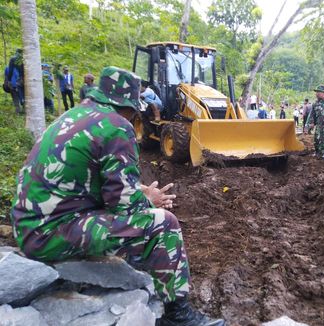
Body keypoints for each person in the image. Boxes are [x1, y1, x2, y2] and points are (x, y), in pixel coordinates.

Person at [10, 66, 225, 326]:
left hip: (32, 225)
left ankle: (136, 266)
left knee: (142, 215)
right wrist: (149, 200)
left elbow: (87, 182)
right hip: (48, 234)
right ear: (128, 106)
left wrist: (139, 190)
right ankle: (177, 316)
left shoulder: (75, 116)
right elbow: (125, 207)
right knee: (164, 223)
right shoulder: (117, 126)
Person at [6, 49, 25, 114]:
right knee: (24, 94)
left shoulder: (11, 61)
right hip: (26, 80)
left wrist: (8, 81)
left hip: (17, 81)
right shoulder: (25, 59)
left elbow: (9, 73)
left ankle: (19, 109)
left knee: (15, 95)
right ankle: (24, 107)